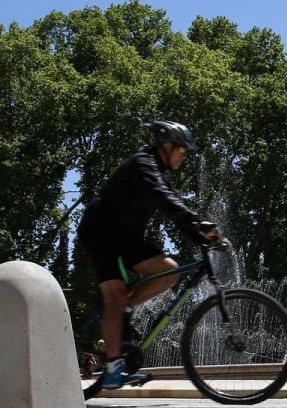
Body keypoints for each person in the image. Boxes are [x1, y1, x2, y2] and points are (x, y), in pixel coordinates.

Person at [76, 120, 221, 390]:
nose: (185, 157)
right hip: (102, 234)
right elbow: (162, 198)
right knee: (115, 297)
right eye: (183, 151)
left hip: (126, 238)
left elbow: (174, 208)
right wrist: (199, 223)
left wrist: (202, 237)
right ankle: (112, 370)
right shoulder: (143, 164)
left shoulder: (162, 172)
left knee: (169, 271)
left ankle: (125, 311)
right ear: (167, 146)